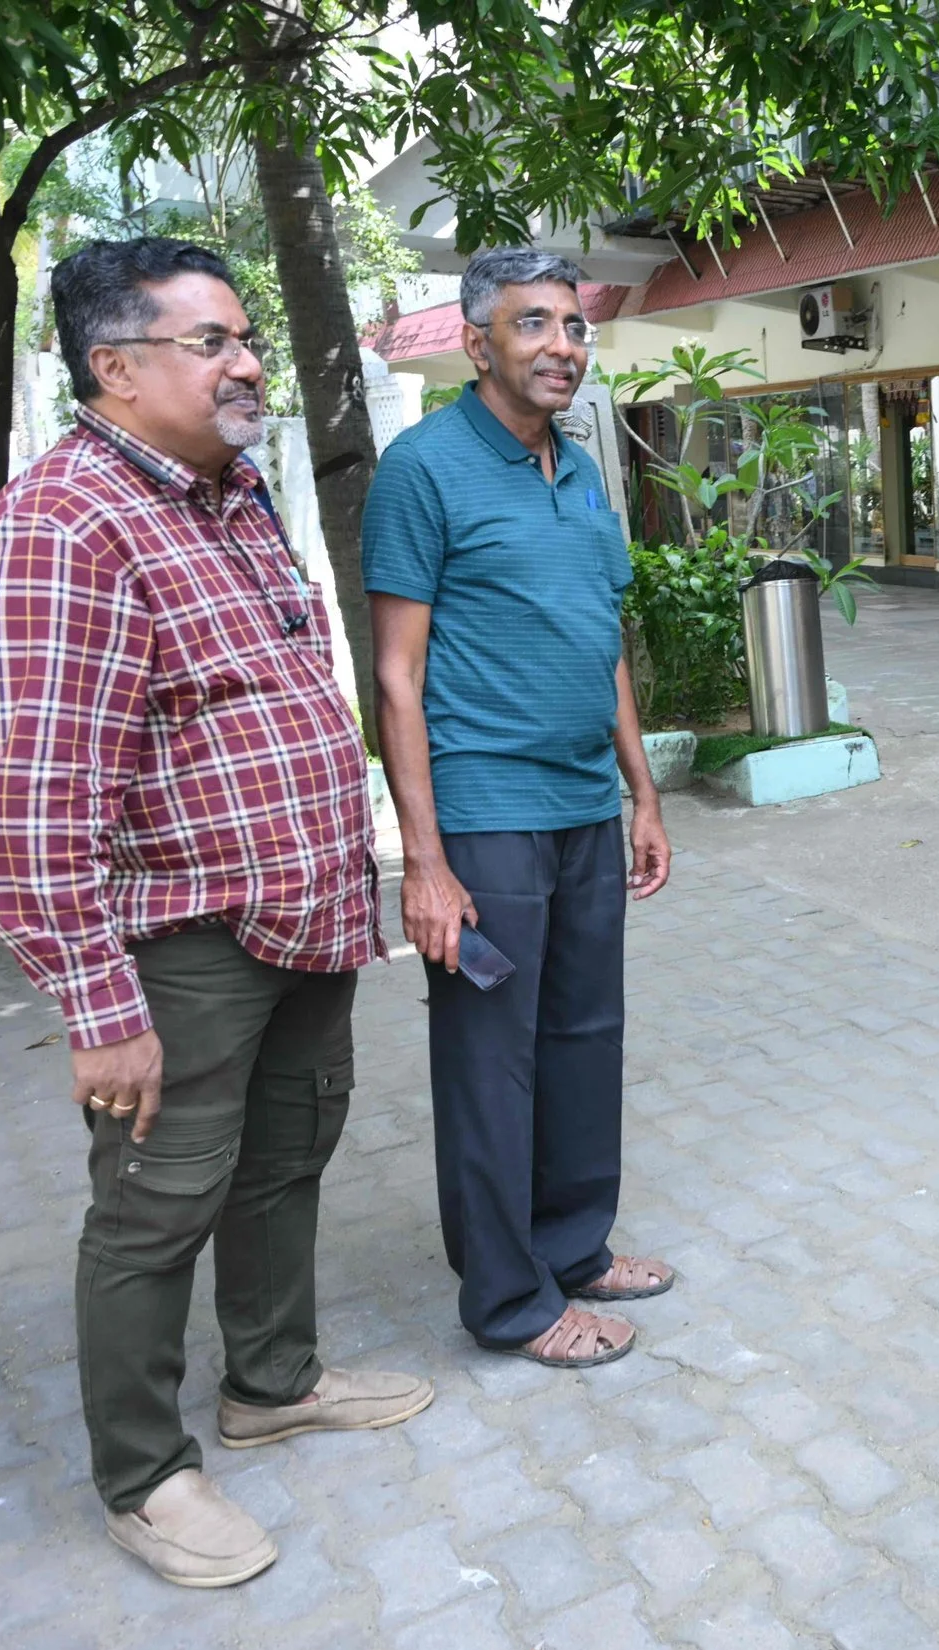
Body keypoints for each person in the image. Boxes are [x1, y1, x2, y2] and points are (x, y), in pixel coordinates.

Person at [0, 238, 431, 1588]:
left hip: (302, 915)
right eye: (210, 340)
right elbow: (36, 801)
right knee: (156, 1205)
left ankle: (273, 1380)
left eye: (246, 338)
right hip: (183, 946)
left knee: (286, 1154)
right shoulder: (63, 527)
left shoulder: (231, 491)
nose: (247, 363)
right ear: (115, 366)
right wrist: (98, 1007)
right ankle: (145, 1475)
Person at [363, 247, 674, 1371]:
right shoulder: (423, 469)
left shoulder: (579, 471)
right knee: (492, 1059)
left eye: (574, 325)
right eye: (533, 322)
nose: (562, 345)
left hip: (585, 803)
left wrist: (642, 792)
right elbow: (397, 674)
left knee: (586, 1037)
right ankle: (507, 1299)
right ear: (475, 342)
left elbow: (603, 643)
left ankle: (573, 1245)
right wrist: (424, 859)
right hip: (486, 809)